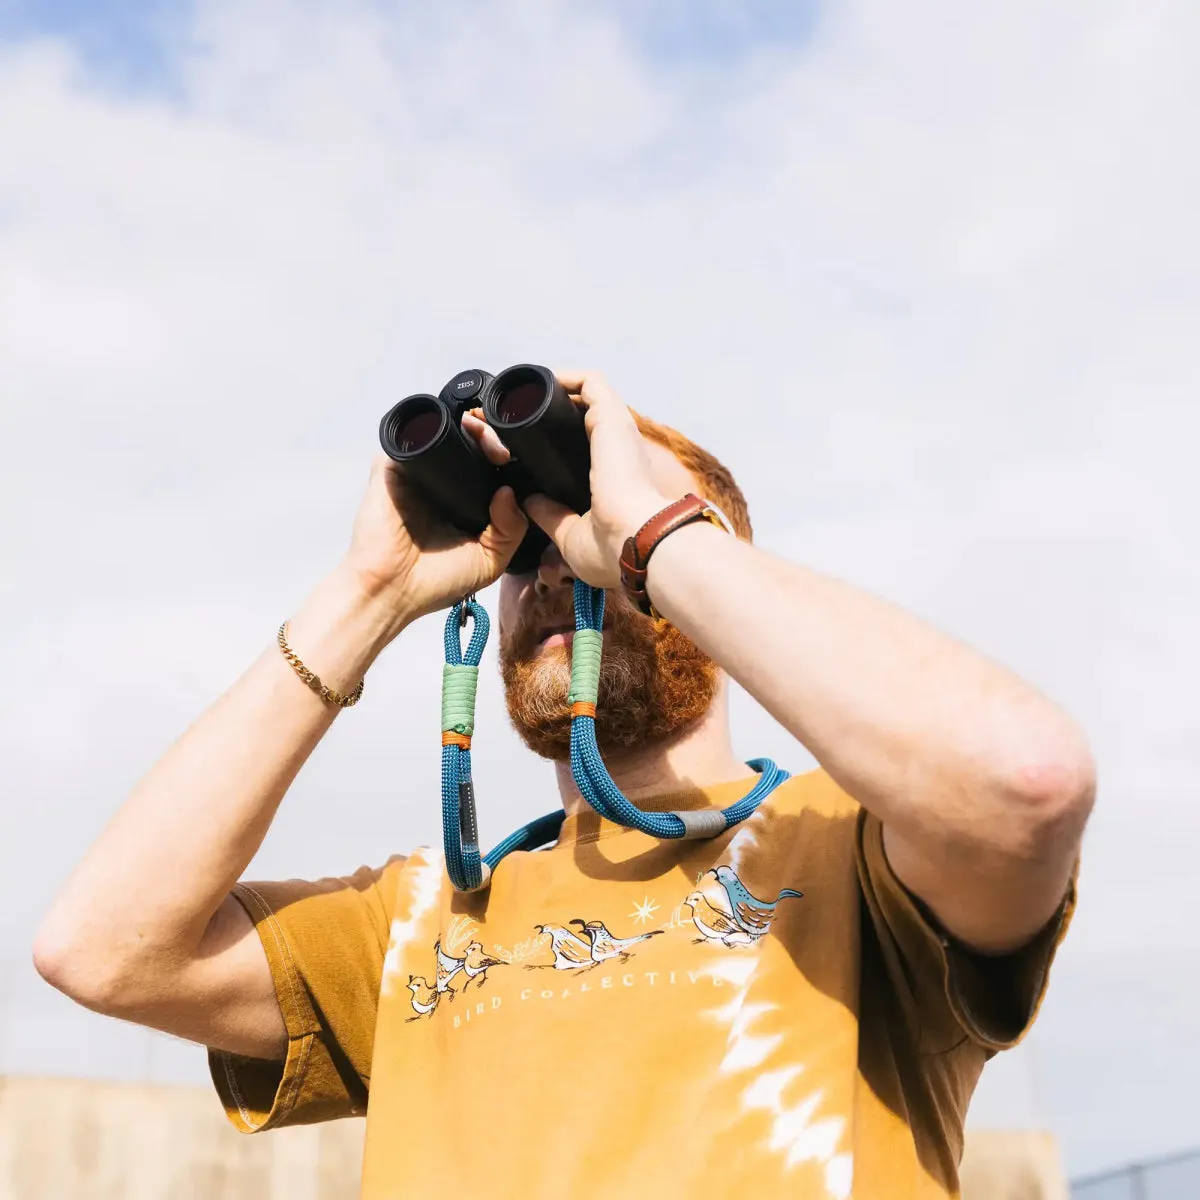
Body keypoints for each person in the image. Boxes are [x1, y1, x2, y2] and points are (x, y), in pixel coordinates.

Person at [34, 370, 1094, 1199]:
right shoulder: (417, 919)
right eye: (521, 558)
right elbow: (101, 949)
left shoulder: (860, 852)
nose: (549, 572)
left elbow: (1024, 780)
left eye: (580, 536)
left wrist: (648, 535)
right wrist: (364, 595)